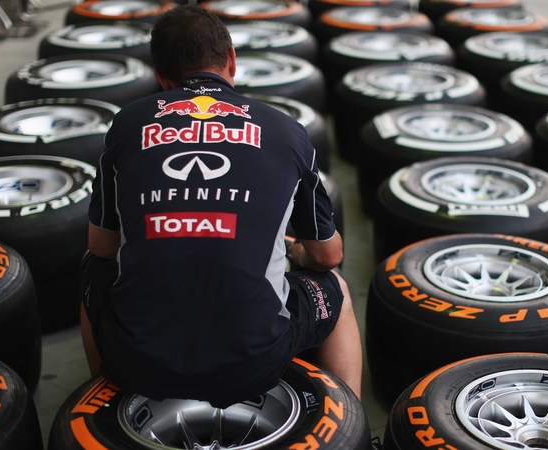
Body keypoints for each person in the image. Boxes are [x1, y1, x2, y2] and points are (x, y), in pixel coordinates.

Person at [79, 4, 362, 406]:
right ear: (231, 59)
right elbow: (328, 255)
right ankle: (348, 426)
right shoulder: (286, 130)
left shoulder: (126, 123)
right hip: (256, 362)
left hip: (137, 361)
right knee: (336, 288)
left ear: (161, 76)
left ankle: (106, 401)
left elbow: (102, 247)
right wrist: (292, 249)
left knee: (92, 269)